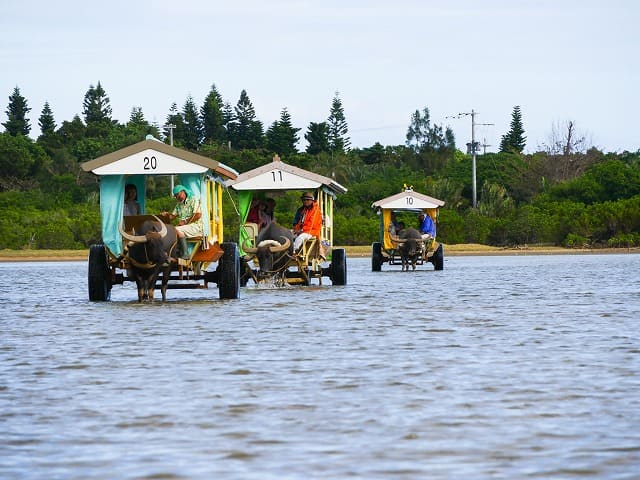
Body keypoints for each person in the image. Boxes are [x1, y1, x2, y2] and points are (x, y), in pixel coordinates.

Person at [161, 185, 203, 259]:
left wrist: (185, 221)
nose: (177, 197)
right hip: (184, 227)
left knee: (174, 229)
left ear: (183, 192)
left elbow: (198, 215)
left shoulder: (194, 200)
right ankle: (176, 252)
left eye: (178, 195)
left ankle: (185, 253)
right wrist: (166, 215)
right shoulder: (178, 205)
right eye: (176, 196)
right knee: (170, 230)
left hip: (197, 226)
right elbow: (172, 217)